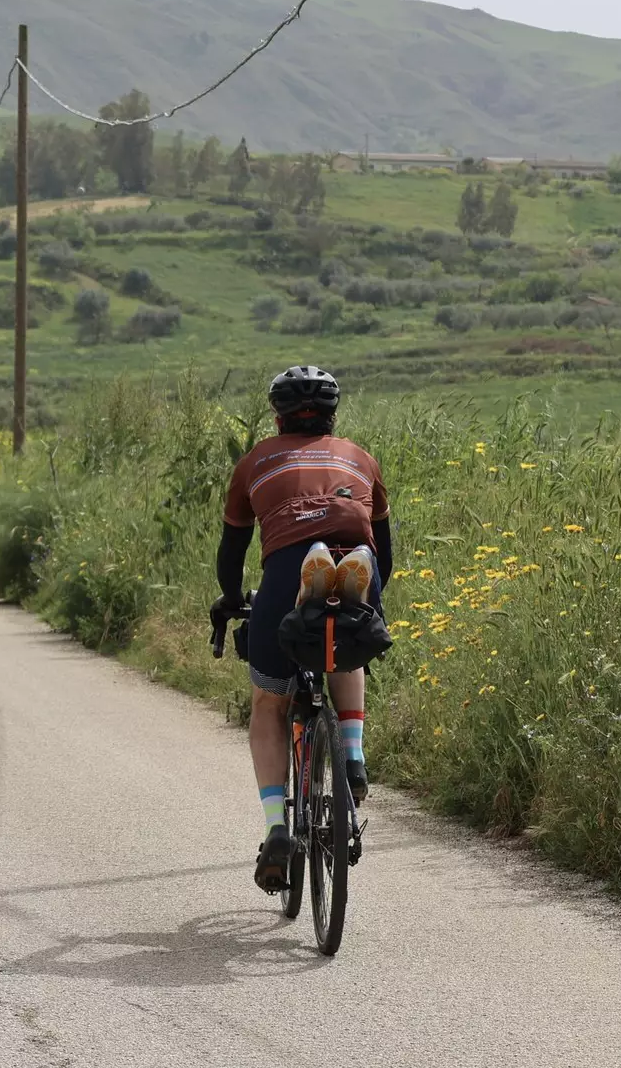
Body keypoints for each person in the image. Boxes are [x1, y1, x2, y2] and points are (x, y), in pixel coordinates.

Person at [213, 365, 391, 893]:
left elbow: (231, 554)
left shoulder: (254, 464)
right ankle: (353, 756)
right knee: (345, 643)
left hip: (285, 569)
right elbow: (389, 548)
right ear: (334, 416)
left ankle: (275, 830)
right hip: (362, 557)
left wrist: (230, 598)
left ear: (277, 417)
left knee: (268, 701)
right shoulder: (360, 458)